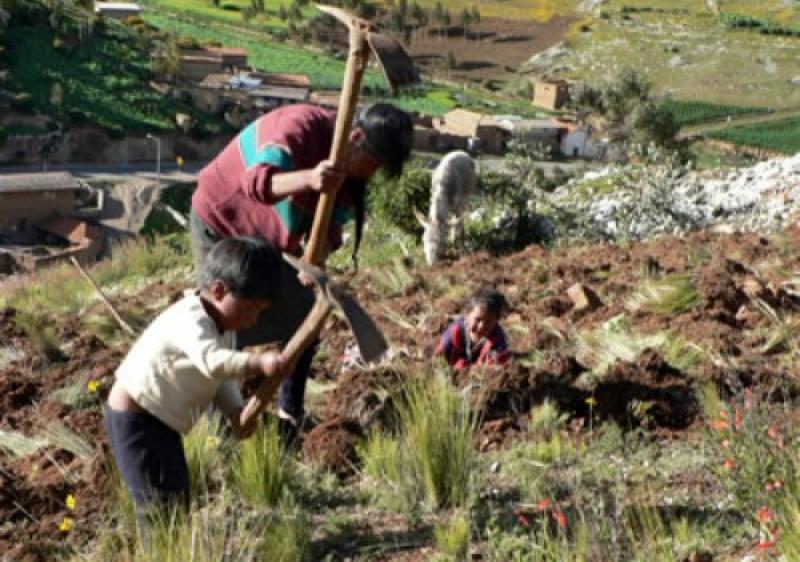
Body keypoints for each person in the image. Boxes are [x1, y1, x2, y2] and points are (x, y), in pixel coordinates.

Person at [189, 102, 414, 439]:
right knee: (223, 318)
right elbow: (258, 183)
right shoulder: (299, 126)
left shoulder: (352, 178)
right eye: (374, 163)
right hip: (222, 220)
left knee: (307, 311)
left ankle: (289, 412)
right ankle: (215, 422)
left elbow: (332, 226)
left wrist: (318, 253)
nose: (372, 173)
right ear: (355, 138)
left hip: (270, 240)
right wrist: (311, 178)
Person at [105, 237, 289, 531]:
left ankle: (171, 550)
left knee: (177, 495)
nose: (253, 321)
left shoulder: (223, 325)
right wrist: (259, 362)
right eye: (249, 309)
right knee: (157, 507)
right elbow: (213, 362)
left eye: (259, 312)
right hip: (136, 419)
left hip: (164, 422)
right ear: (218, 290)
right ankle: (159, 555)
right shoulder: (191, 319)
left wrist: (235, 412)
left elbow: (218, 379)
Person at [436, 288, 511, 369]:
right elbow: (439, 358)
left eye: (488, 322)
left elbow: (495, 368)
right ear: (467, 315)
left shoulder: (498, 339)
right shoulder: (455, 331)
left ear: (496, 321)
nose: (482, 326)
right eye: (478, 320)